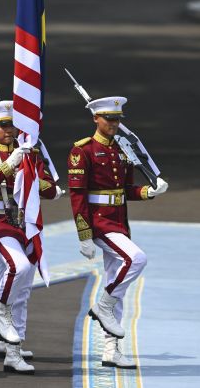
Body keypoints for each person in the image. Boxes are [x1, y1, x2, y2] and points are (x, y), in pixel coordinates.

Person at [67, 96, 168, 369]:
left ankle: (111, 349)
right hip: (99, 221)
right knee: (136, 259)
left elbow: (125, 190)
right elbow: (77, 196)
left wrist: (148, 192)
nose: (113, 123)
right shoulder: (83, 151)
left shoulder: (122, 149)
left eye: (117, 119)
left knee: (117, 282)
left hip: (119, 221)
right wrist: (84, 234)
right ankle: (103, 304)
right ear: (95, 119)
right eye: (108, 118)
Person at [0, 100, 59, 374]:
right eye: (3, 125)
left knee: (22, 289)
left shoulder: (28, 150)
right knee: (19, 267)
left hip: (25, 222)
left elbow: (49, 189)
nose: (9, 130)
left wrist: (33, 174)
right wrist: (10, 164)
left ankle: (11, 350)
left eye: (13, 125)